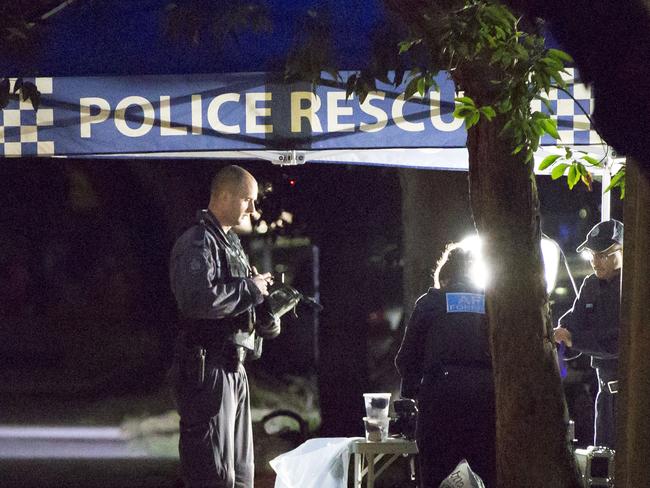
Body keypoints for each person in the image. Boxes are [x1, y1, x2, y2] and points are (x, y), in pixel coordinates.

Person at [169, 165, 281, 488]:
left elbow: (238, 301)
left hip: (235, 369)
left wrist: (266, 313)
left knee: (241, 477)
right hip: (209, 368)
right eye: (248, 200)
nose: (253, 209)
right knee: (214, 477)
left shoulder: (230, 244)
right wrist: (250, 290)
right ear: (224, 196)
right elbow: (197, 301)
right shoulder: (197, 243)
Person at [395, 242, 495, 488]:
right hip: (485, 400)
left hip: (440, 401)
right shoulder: (491, 304)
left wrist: (412, 392)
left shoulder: (431, 302)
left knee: (434, 475)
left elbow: (405, 358)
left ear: (445, 277)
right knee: (491, 474)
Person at [554, 219, 623, 449]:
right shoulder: (591, 284)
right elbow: (573, 322)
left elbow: (620, 341)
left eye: (602, 254)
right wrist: (557, 334)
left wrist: (574, 339)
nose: (594, 261)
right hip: (603, 392)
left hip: (633, 394)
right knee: (603, 461)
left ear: (622, 250)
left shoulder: (635, 286)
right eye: (591, 255)